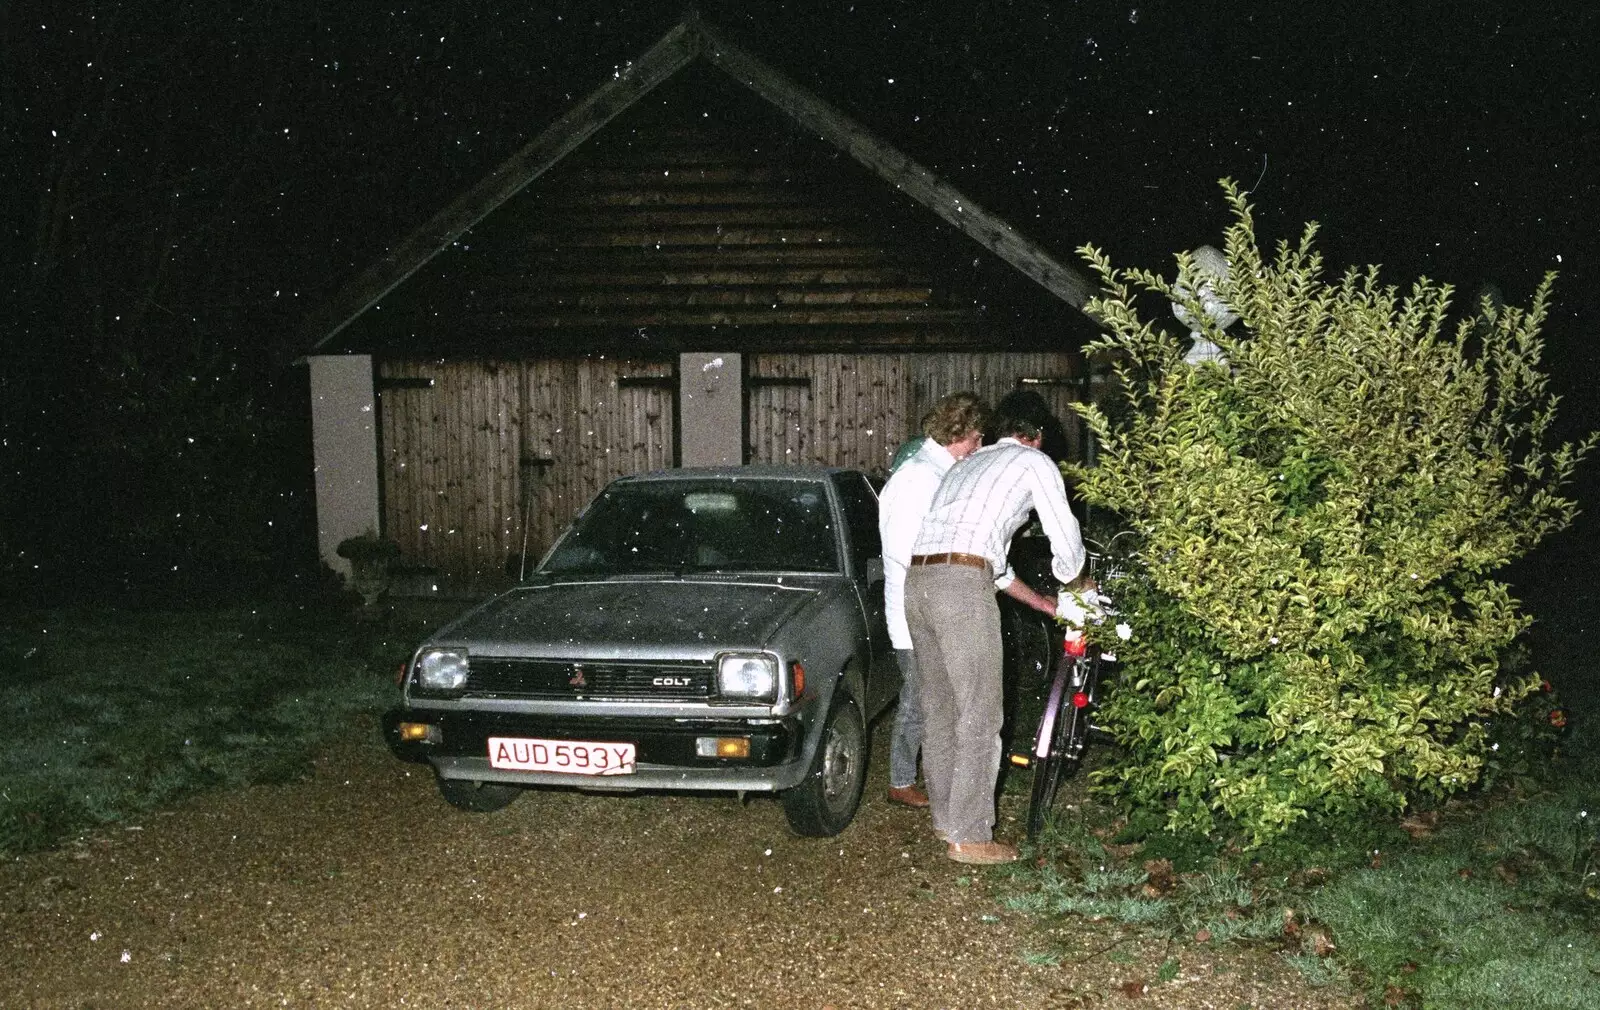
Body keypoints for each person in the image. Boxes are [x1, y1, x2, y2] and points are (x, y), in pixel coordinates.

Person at [903, 396, 1088, 864]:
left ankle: (948, 822)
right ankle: (970, 836)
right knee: (981, 712)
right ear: (1037, 436)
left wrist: (1044, 604)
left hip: (919, 581)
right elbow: (1063, 533)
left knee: (942, 709)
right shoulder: (1033, 461)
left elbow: (998, 570)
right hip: (961, 586)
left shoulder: (967, 466)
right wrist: (1077, 583)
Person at [878, 392, 989, 810]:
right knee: (918, 699)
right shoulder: (918, 478)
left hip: (929, 603)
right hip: (913, 608)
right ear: (960, 434)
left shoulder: (938, 473)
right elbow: (901, 549)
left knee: (929, 697)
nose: (978, 447)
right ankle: (900, 780)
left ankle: (916, 776)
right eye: (977, 438)